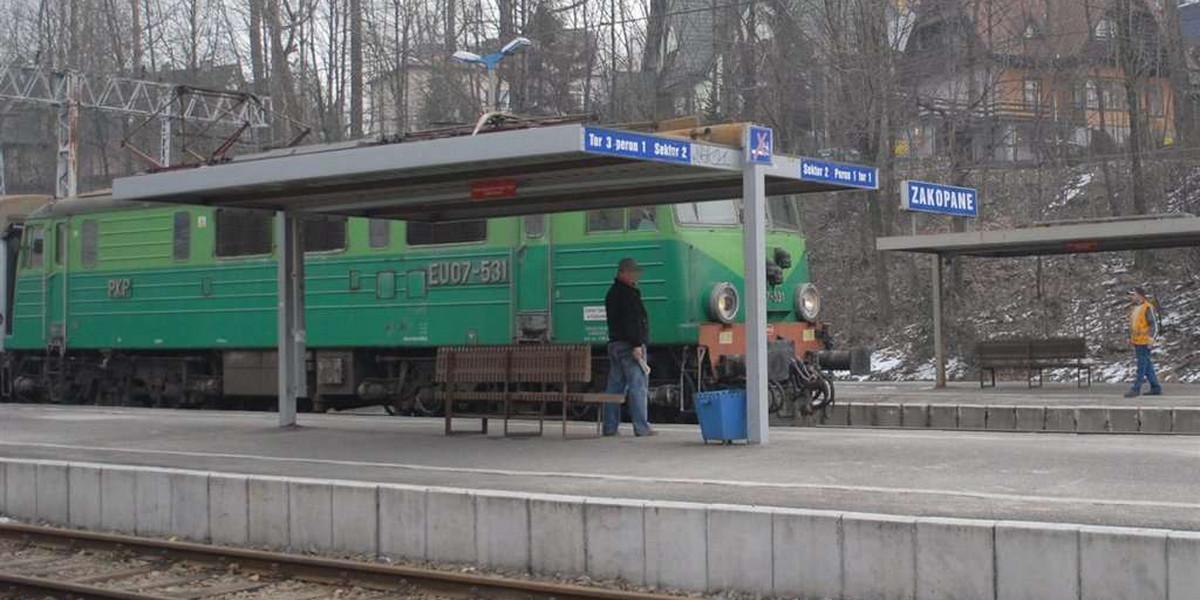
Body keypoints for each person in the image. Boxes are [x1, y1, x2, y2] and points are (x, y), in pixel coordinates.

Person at [602, 257, 656, 436]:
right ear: (622, 272)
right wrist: (636, 344)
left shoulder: (612, 293)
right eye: (632, 272)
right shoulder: (628, 294)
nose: (635, 276)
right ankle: (642, 427)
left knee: (614, 387)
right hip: (628, 346)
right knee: (637, 386)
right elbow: (631, 322)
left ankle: (609, 427)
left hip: (615, 344)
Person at [1125, 286, 1163, 398]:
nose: (1131, 297)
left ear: (1140, 295)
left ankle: (1136, 388)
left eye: (1133, 294)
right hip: (1137, 341)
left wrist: (1152, 338)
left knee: (1141, 366)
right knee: (1147, 365)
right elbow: (1133, 325)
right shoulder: (1133, 308)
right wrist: (1130, 337)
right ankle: (1156, 387)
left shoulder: (1147, 307)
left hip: (1145, 341)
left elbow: (1154, 325)